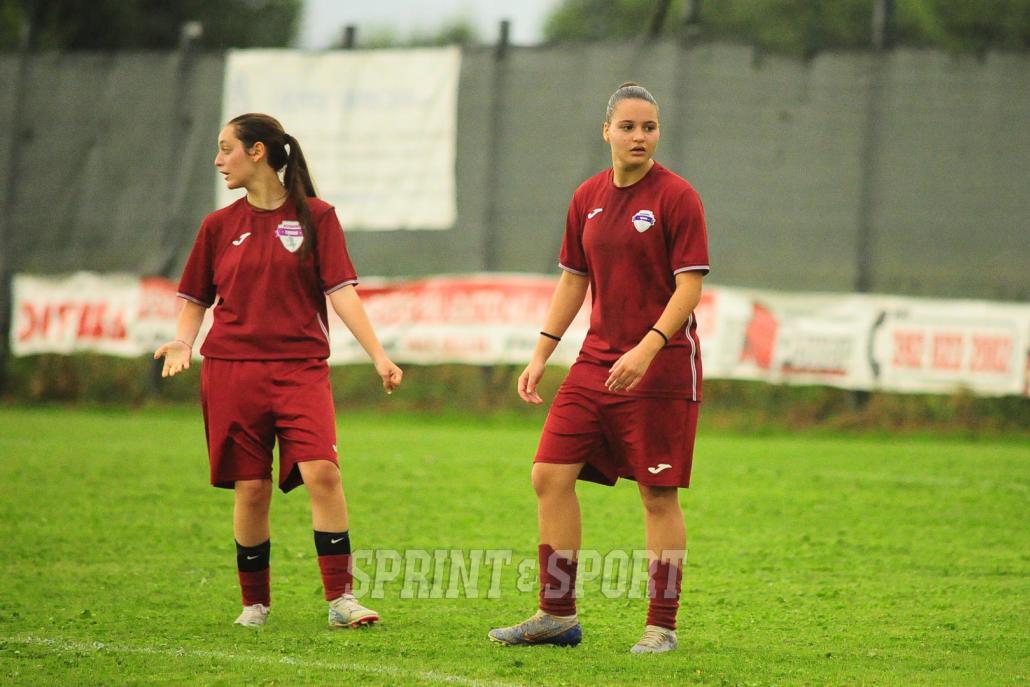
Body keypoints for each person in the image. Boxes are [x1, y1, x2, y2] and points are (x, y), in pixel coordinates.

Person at [154, 113, 402, 629]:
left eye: (226, 149)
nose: (218, 160)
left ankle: (341, 600)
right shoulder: (217, 226)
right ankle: (255, 604)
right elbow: (195, 298)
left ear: (258, 151)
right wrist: (183, 341)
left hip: (300, 369)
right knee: (251, 488)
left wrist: (379, 355)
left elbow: (342, 292)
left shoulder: (317, 217)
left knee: (323, 473)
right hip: (231, 372)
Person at [488, 83, 709, 654]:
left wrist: (648, 347)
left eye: (649, 127)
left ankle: (661, 627)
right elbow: (574, 279)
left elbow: (689, 288)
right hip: (596, 362)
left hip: (661, 367)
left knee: (657, 495)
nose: (640, 137)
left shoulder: (678, 197)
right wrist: (542, 351)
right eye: (628, 126)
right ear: (606, 131)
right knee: (548, 474)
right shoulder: (587, 195)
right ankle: (556, 615)